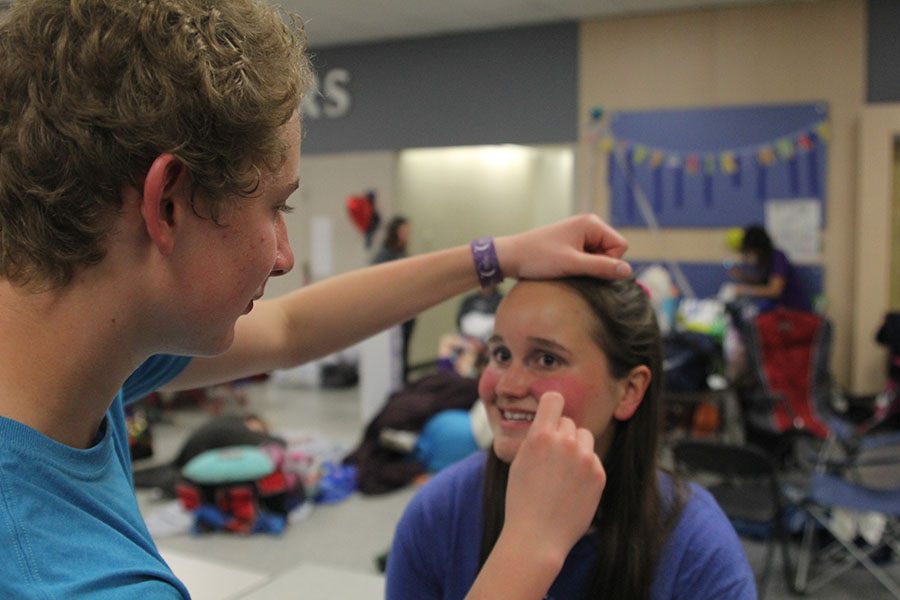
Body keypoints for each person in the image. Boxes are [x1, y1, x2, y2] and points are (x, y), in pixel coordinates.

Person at [0, 1, 633, 596]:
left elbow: (292, 330)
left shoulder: (72, 362)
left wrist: (498, 257)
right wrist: (532, 547)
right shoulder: (66, 577)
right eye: (276, 206)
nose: (285, 255)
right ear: (168, 202)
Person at [386, 277, 757, 599]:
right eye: (500, 354)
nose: (507, 385)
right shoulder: (440, 513)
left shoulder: (697, 548)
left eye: (546, 359)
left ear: (628, 390)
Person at [371, 215, 416, 379]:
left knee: (404, 351)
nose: (408, 234)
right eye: (404, 231)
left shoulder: (403, 254)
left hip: (407, 312)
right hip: (392, 314)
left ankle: (403, 381)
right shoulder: (385, 255)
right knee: (393, 355)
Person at [728, 224, 810, 312]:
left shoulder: (777, 258)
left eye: (751, 250)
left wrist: (745, 290)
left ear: (758, 248)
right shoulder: (765, 261)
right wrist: (743, 277)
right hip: (778, 310)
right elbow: (764, 282)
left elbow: (774, 290)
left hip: (792, 311)